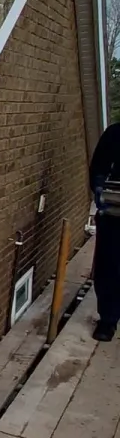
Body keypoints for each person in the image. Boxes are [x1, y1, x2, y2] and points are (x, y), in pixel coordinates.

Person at [90, 121, 120, 341]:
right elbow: (98, 168)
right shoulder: (116, 134)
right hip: (114, 215)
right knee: (109, 266)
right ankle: (108, 320)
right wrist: (99, 186)